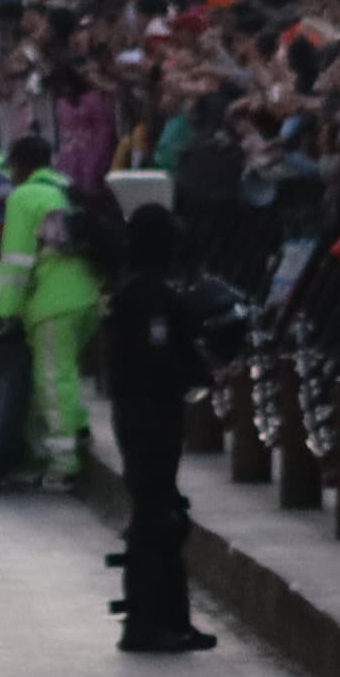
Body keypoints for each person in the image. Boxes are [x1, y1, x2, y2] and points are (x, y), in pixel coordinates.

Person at [104, 204, 238, 652]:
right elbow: (156, 358)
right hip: (148, 417)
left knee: (164, 511)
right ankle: (146, 620)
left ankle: (171, 618)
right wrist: (199, 373)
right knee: (154, 516)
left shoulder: (139, 290)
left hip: (144, 414)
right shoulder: (147, 296)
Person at [0, 133, 102, 482]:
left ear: (20, 166)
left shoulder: (25, 197)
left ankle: (64, 461)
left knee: (52, 377)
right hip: (86, 294)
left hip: (53, 301)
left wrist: (6, 311)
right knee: (66, 371)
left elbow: (17, 262)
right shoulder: (67, 187)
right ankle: (77, 430)